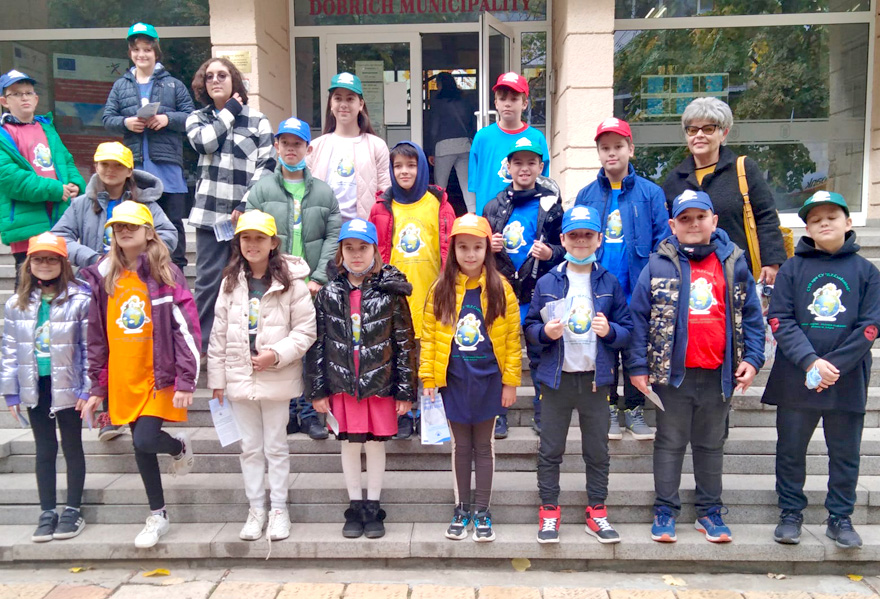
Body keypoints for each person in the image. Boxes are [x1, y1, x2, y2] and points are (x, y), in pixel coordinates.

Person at [627, 190, 764, 544]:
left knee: (710, 444)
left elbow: (752, 315)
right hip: (674, 376)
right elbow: (638, 318)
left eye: (700, 217)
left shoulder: (734, 262)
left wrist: (753, 359)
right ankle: (665, 510)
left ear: (713, 221)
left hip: (719, 374)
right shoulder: (658, 264)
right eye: (685, 219)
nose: (693, 224)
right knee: (670, 442)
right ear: (672, 225)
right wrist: (638, 366)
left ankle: (709, 512)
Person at [78, 201, 201, 550]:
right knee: (140, 446)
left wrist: (187, 378)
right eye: (118, 227)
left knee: (145, 440)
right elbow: (96, 335)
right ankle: (158, 514)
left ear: (149, 232)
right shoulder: (104, 277)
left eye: (131, 226)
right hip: (123, 376)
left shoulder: (165, 273)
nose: (124, 231)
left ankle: (177, 447)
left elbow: (186, 328)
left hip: (157, 376)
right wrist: (97, 386)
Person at [763, 191, 880, 549]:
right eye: (815, 220)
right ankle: (790, 513)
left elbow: (871, 325)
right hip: (796, 378)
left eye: (832, 217)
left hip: (847, 380)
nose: (824, 223)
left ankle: (840, 517)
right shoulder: (792, 269)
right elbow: (780, 319)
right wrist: (810, 361)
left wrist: (834, 366)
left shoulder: (867, 272)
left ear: (848, 222)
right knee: (790, 451)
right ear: (808, 229)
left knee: (845, 454)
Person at [52, 141, 177, 442]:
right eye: (104, 164)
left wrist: (139, 258)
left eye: (117, 165)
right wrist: (92, 259)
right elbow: (59, 236)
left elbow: (169, 235)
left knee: (128, 343)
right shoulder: (81, 204)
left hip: (135, 285)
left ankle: (137, 407)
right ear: (95, 167)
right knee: (102, 345)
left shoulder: (147, 204)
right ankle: (109, 410)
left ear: (129, 170)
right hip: (98, 286)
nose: (110, 170)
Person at [524, 205, 632, 545]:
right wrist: (545, 333)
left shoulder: (609, 282)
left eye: (588, 235)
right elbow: (529, 328)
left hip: (596, 380)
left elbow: (628, 331)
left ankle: (596, 510)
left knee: (597, 450)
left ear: (600, 239)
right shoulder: (548, 281)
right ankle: (549, 511)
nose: (581, 241)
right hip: (557, 380)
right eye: (574, 235)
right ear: (563, 239)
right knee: (550, 449)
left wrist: (610, 331)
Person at [208, 210, 317, 544]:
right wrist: (217, 380)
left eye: (259, 238)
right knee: (250, 448)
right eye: (246, 238)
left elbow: (305, 331)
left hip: (276, 377)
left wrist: (276, 354)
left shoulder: (292, 284)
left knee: (276, 446)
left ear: (273, 243)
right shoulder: (230, 283)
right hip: (239, 376)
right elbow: (218, 333)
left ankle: (279, 509)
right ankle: (256, 508)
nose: (252, 244)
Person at [305, 219, 417, 540]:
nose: (356, 254)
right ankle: (355, 505)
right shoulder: (328, 293)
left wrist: (405, 391)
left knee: (375, 444)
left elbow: (405, 343)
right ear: (340, 252)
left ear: (375, 251)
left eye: (363, 248)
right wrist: (318, 390)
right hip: (343, 385)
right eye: (349, 248)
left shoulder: (391, 294)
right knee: (350, 444)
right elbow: (317, 345)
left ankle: (373, 505)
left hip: (379, 385)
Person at [420, 214, 521, 543]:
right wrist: (429, 379)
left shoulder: (502, 289)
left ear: (487, 249)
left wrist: (510, 382)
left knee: (484, 447)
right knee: (461, 447)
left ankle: (482, 510)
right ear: (453, 250)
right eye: (463, 247)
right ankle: (461, 508)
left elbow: (512, 341)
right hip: (454, 381)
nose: (470, 254)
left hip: (489, 381)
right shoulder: (440, 289)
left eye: (477, 247)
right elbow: (430, 338)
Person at [574, 118, 671, 442]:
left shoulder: (650, 193)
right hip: (600, 289)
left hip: (637, 290)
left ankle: (634, 407)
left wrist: (654, 283)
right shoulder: (587, 194)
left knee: (634, 351)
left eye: (618, 146)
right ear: (598, 153)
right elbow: (577, 239)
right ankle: (609, 408)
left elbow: (662, 242)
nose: (611, 153)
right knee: (603, 351)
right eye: (605, 148)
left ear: (631, 149)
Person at [244, 116, 340, 440]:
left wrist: (319, 277)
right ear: (276, 146)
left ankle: (310, 414)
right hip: (275, 281)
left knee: (309, 346)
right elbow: (251, 234)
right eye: (285, 143)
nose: (291, 149)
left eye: (297, 144)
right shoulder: (262, 190)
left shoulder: (323, 192)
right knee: (279, 343)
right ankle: (286, 413)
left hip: (310, 282)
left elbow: (333, 236)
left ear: (308, 149)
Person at [1, 233, 90, 542]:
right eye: (38, 259)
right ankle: (47, 510)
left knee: (72, 445)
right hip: (34, 385)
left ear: (63, 264)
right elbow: (9, 349)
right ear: (28, 264)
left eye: (52, 259)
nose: (45, 264)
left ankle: (73, 509)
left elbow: (89, 348)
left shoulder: (80, 299)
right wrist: (11, 390)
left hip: (68, 385)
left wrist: (88, 389)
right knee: (44, 448)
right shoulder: (17, 303)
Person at [186, 57, 275, 360]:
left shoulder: (258, 121)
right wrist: (229, 112)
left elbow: (267, 164)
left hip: (246, 220)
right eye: (209, 76)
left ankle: (247, 344)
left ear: (234, 80)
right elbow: (205, 144)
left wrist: (246, 202)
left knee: (248, 280)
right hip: (210, 218)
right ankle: (201, 349)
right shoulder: (197, 119)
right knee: (208, 283)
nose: (215, 80)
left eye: (222, 75)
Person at [369, 140, 455, 439]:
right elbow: (373, 251)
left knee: (428, 359)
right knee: (399, 359)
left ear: (422, 168)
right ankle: (403, 414)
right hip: (394, 299)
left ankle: (429, 415)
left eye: (411, 165)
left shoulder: (439, 204)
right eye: (398, 166)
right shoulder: (382, 207)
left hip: (432, 295)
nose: (404, 171)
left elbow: (450, 248)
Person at [483, 137, 564, 439]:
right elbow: (475, 251)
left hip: (537, 293)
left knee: (541, 355)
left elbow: (565, 247)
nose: (524, 168)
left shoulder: (551, 206)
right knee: (498, 354)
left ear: (541, 167)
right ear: (508, 167)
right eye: (518, 163)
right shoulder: (493, 205)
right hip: (501, 292)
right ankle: (498, 415)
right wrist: (488, 246)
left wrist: (551, 253)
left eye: (531, 162)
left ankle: (544, 414)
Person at [662, 97, 786, 286]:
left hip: (739, 276)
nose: (699, 135)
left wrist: (771, 262)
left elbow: (766, 217)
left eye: (708, 129)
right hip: (692, 279)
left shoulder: (743, 170)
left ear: (724, 133)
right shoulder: (675, 180)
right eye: (693, 130)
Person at [102, 23, 195, 270]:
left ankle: (176, 273)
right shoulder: (120, 85)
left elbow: (191, 117)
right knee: (138, 224)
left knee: (172, 222)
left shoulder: (173, 84)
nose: (141, 55)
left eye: (147, 49)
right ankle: (140, 272)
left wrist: (167, 119)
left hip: (168, 167)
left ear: (156, 52)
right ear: (130, 53)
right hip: (136, 169)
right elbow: (107, 119)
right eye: (136, 50)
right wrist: (126, 123)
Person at [0, 70, 85, 285]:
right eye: (16, 94)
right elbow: (11, 179)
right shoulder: (3, 135)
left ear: (36, 99)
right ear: (4, 102)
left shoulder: (47, 128)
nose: (24, 98)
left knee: (60, 287)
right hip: (26, 225)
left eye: (28, 93)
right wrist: (56, 189)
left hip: (58, 220)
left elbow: (66, 161)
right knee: (27, 290)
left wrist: (76, 183)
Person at [307, 73, 390, 222]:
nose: (343, 104)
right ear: (331, 104)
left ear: (361, 104)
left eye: (350, 99)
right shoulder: (315, 146)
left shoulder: (377, 146)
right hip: (324, 228)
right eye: (338, 98)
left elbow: (385, 192)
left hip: (362, 229)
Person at [469, 72, 549, 215]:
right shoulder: (482, 138)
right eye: (502, 98)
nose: (507, 103)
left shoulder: (536, 138)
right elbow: (474, 185)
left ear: (524, 104)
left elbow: (543, 182)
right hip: (489, 216)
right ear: (496, 103)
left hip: (525, 216)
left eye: (514, 99)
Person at [426, 72, 477, 212]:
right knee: (467, 185)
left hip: (444, 147)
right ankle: (473, 214)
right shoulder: (464, 100)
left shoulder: (437, 101)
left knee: (440, 186)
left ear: (440, 84)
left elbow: (434, 128)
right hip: (464, 145)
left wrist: (431, 150)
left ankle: (438, 213)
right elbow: (472, 123)